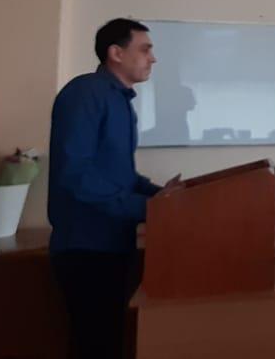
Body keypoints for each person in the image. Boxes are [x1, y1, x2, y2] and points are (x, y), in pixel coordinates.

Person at [48, 18, 180, 359]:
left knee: (111, 340)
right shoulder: (85, 93)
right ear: (116, 53)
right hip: (86, 248)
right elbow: (75, 175)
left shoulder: (121, 101)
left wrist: (161, 197)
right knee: (95, 344)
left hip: (113, 245)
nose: (153, 58)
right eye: (145, 49)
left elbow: (123, 176)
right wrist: (148, 208)